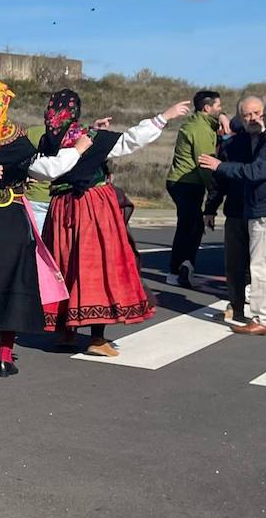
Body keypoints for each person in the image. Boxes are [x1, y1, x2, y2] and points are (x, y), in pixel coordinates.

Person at [0, 78, 91, 376]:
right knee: (12, 285)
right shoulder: (18, 139)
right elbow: (47, 170)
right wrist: (77, 149)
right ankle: (4, 356)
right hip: (10, 216)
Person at [39, 90, 190, 356]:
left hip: (61, 209)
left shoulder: (48, 139)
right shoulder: (90, 138)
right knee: (96, 266)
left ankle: (66, 332)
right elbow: (129, 141)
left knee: (64, 264)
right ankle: (97, 339)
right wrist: (164, 116)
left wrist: (93, 130)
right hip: (91, 205)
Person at [202, 96, 266, 332]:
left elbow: (256, 171)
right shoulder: (233, 144)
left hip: (260, 208)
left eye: (257, 113)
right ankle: (236, 307)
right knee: (235, 264)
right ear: (240, 116)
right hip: (238, 209)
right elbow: (219, 180)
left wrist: (220, 166)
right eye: (247, 114)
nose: (253, 118)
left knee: (260, 265)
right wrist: (210, 208)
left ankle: (260, 318)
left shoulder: (265, 140)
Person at [165, 90, 223, 288]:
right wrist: (214, 194)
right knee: (189, 226)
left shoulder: (202, 125)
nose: (221, 109)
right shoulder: (200, 129)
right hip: (186, 182)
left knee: (192, 225)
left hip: (186, 181)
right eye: (218, 106)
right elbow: (205, 163)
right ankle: (177, 270)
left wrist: (222, 121)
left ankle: (184, 267)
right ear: (207, 108)